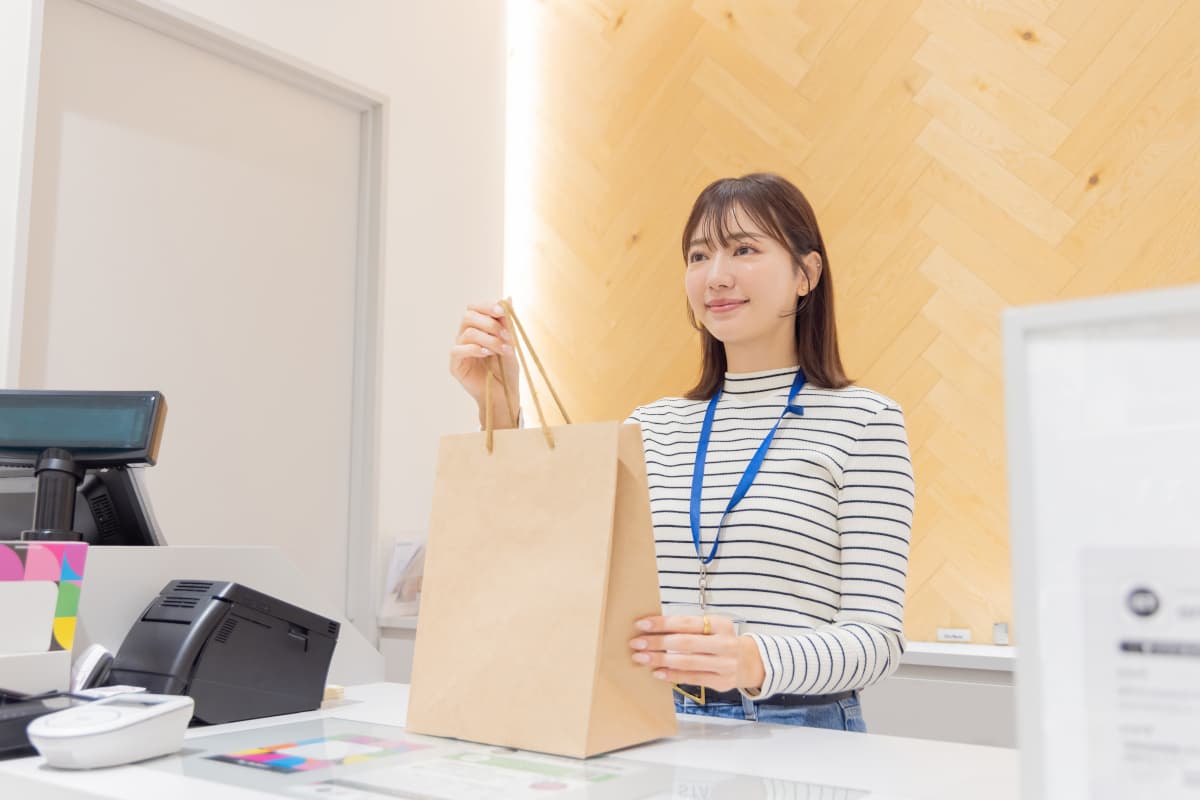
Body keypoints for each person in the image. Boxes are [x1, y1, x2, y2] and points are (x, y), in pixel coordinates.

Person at [450, 173, 913, 731]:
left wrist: (752, 659)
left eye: (744, 249)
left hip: (799, 727)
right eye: (699, 255)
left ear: (806, 274)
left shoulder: (865, 420)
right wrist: (499, 405)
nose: (716, 276)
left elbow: (877, 639)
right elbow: (545, 550)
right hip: (649, 717)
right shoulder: (651, 426)